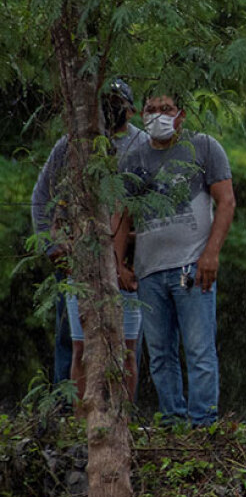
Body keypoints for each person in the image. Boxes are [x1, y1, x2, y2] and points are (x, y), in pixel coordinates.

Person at [115, 94, 235, 426]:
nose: (158, 116)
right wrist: (118, 263)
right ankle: (172, 421)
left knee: (198, 350)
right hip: (149, 271)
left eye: (166, 109)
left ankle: (203, 423)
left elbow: (226, 202)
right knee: (159, 354)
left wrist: (211, 254)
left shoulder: (204, 147)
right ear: (141, 113)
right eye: (151, 109)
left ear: (180, 114)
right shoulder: (133, 159)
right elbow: (121, 215)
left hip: (192, 266)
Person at [31, 78, 147, 400]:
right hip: (76, 256)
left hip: (126, 261)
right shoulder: (71, 144)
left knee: (127, 341)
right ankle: (68, 407)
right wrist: (52, 246)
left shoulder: (142, 146)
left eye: (117, 103)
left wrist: (134, 253)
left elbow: (147, 207)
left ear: (131, 109)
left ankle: (121, 409)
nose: (110, 108)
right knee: (72, 338)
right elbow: (41, 197)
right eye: (105, 101)